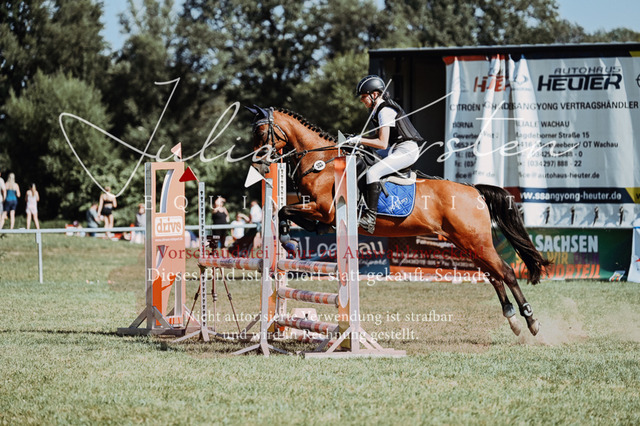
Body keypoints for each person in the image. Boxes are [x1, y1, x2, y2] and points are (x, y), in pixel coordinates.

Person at [350, 75, 424, 234]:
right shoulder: (378, 110)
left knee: (373, 172)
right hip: (396, 148)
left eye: (363, 96)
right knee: (365, 156)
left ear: (374, 94)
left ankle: (370, 217)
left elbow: (382, 143)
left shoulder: (385, 111)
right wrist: (358, 139)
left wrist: (359, 140)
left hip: (406, 150)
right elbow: (376, 138)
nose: (362, 100)